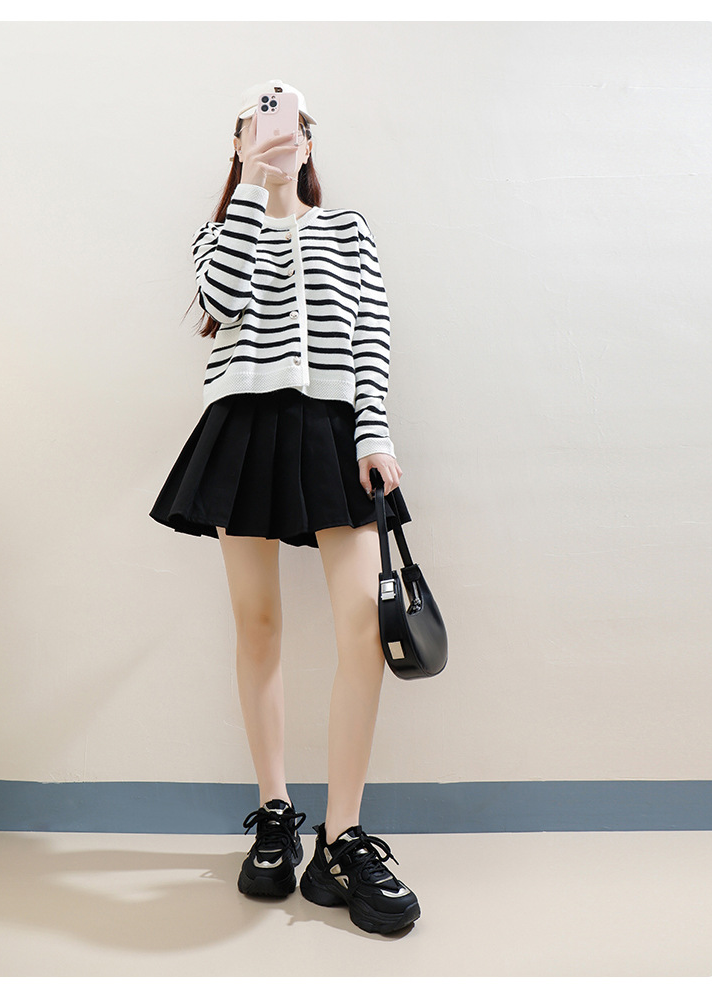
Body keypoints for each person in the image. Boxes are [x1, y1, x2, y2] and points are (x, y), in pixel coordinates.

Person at [149, 80, 420, 935]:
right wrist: (255, 194)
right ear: (238, 145)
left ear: (309, 143)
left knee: (364, 629)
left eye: (291, 126)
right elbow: (219, 302)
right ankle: (276, 813)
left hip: (333, 429)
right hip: (243, 426)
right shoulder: (219, 232)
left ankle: (343, 836)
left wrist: (373, 433)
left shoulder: (349, 229)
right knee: (258, 624)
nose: (277, 135)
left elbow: (371, 335)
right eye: (258, 127)